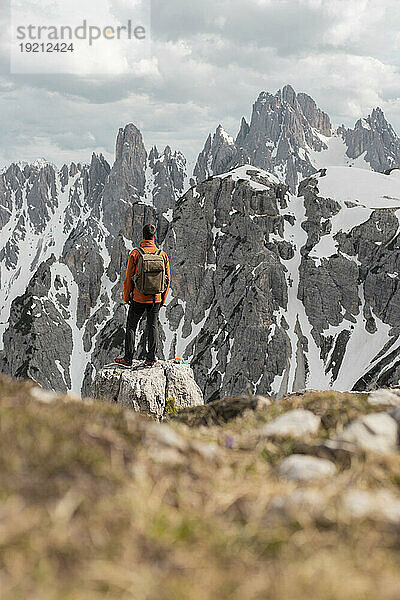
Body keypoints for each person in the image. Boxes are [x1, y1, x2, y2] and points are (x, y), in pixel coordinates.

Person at [114, 223, 170, 367]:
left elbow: (128, 278)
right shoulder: (162, 255)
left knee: (132, 325)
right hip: (155, 298)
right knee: (152, 326)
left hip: (138, 298)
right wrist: (162, 299)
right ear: (154, 237)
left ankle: (128, 359)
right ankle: (151, 359)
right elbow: (167, 280)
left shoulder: (135, 253)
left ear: (142, 236)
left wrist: (127, 297)